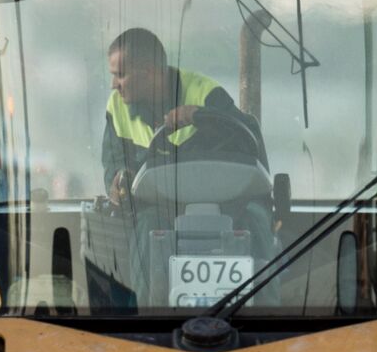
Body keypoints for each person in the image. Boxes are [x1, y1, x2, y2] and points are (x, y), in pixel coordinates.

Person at [100, 28, 270, 303]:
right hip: (161, 211)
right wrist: (120, 180)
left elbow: (248, 140)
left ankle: (265, 315)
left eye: (120, 75)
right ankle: (147, 319)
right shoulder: (116, 107)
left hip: (229, 207)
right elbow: (114, 166)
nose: (114, 85)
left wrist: (200, 116)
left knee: (257, 218)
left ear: (150, 72)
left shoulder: (206, 94)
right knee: (145, 227)